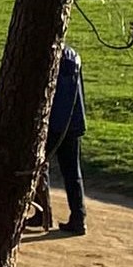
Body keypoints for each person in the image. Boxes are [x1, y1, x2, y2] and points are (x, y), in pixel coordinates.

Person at [44, 43, 88, 236]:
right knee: (72, 172)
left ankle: (43, 212)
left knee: (40, 167)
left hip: (54, 123)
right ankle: (79, 217)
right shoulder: (73, 56)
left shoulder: (52, 57)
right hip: (73, 121)